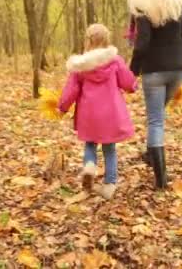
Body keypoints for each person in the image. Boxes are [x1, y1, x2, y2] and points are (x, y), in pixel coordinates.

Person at [58, 24, 137, 200]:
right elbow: (126, 80)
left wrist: (62, 106)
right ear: (106, 40)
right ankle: (109, 184)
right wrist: (133, 86)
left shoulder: (81, 65)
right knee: (109, 148)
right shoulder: (114, 60)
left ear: (88, 41)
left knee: (90, 144)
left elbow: (71, 89)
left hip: (89, 113)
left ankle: (89, 166)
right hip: (111, 112)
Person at [127, 0, 182, 189]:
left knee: (155, 120)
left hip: (154, 71)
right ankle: (151, 154)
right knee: (159, 114)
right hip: (178, 69)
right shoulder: (176, 4)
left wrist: (132, 71)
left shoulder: (143, 10)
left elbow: (142, 44)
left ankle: (161, 180)